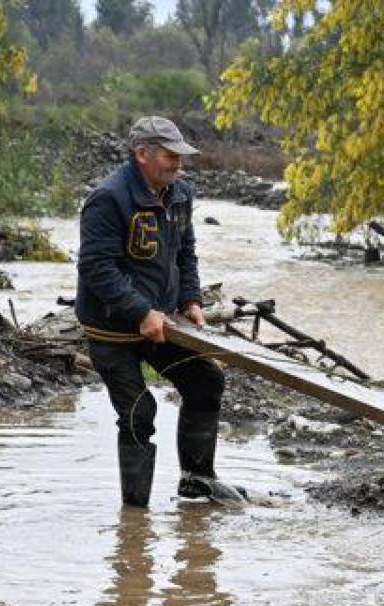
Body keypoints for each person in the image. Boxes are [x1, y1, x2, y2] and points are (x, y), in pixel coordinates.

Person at [76, 116, 241, 506]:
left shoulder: (180, 192)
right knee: (139, 413)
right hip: (112, 330)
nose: (177, 163)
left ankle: (197, 481)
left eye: (180, 155)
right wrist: (139, 312)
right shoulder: (108, 199)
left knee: (206, 382)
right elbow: (97, 268)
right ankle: (134, 519)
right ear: (142, 155)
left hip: (163, 322)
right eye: (170, 156)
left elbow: (185, 253)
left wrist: (191, 300)